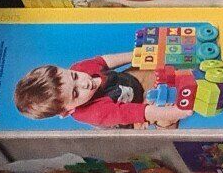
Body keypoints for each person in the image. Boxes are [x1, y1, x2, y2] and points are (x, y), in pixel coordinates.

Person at [13, 52, 192, 128]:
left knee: (160, 66)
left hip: (130, 81)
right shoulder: (95, 113)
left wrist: (138, 55)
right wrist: (177, 111)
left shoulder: (81, 68)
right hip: (129, 114)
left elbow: (105, 61)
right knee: (164, 117)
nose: (84, 83)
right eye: (75, 93)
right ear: (67, 111)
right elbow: (136, 112)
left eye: (74, 76)